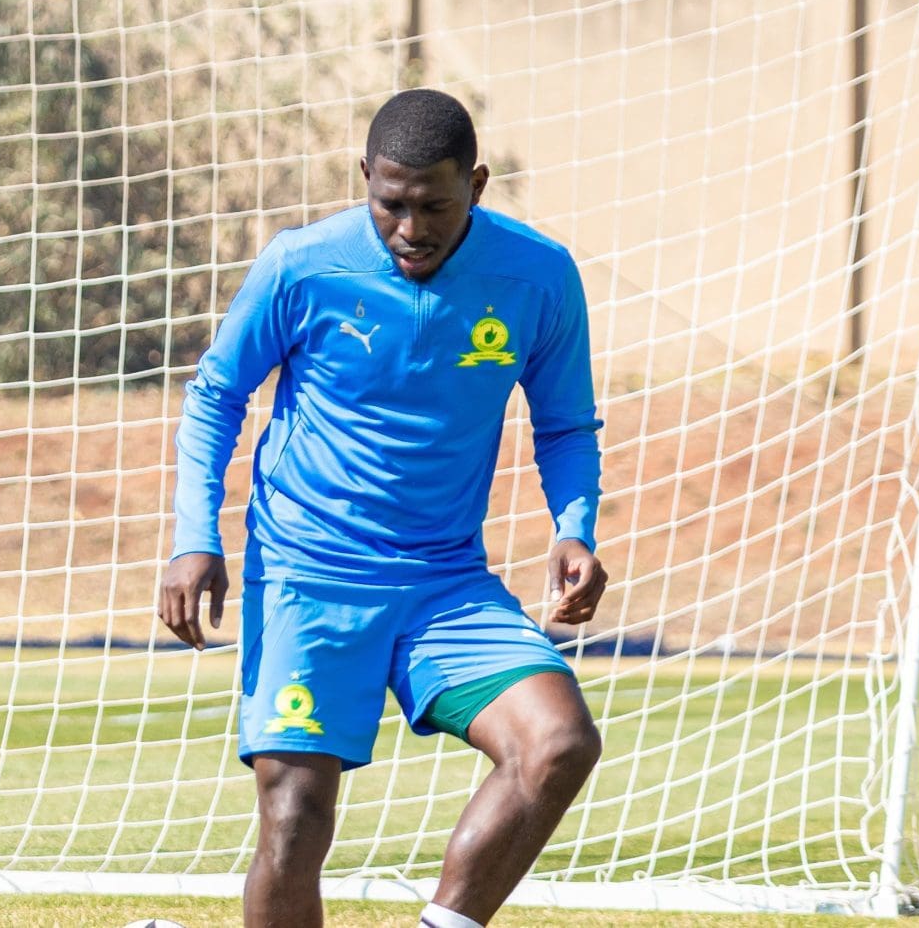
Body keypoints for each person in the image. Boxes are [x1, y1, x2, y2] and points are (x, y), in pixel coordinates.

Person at [158, 88, 608, 928]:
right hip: (307, 573)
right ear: (365, 178)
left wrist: (573, 526)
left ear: (476, 184)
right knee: (294, 818)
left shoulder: (539, 275)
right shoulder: (303, 264)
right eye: (389, 203)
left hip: (446, 582)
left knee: (557, 743)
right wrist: (196, 536)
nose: (409, 227)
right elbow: (215, 395)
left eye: (433, 205)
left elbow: (566, 423)